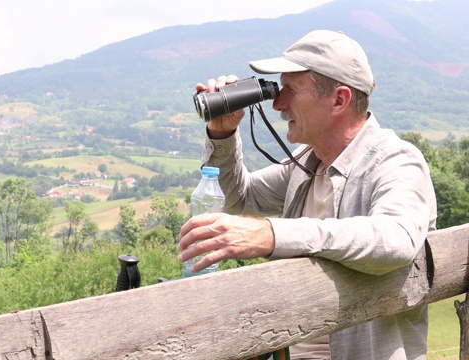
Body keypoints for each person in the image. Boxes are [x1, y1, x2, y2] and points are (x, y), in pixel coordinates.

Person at [177, 30, 437, 360]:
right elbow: (238, 200)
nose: (277, 103)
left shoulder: (396, 161)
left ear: (339, 100)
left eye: (290, 90)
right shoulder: (307, 163)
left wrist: (273, 234)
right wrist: (222, 132)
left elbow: (395, 239)